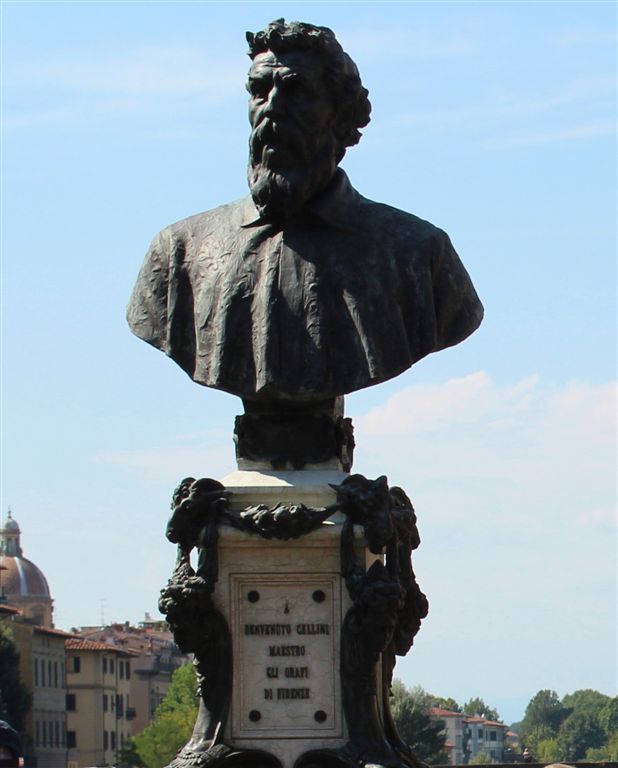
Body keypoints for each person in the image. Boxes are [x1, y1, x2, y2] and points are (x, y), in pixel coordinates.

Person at [128, 19, 483, 404]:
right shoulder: (179, 253)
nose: (273, 108)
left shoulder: (418, 254)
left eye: (297, 92)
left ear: (341, 117)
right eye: (259, 91)